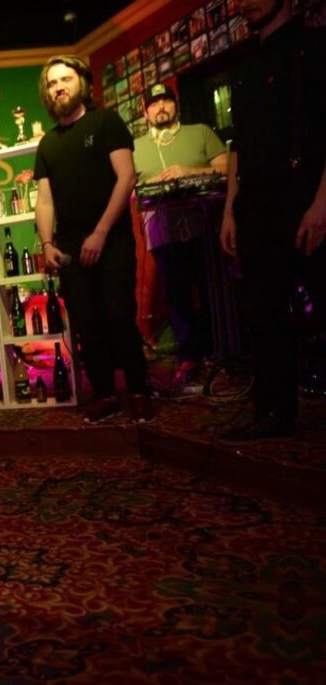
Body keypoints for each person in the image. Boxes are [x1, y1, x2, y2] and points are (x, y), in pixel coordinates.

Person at [218, 0, 326, 443]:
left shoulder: (314, 46)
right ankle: (273, 413)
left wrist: (322, 204)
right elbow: (238, 146)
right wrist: (230, 208)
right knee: (264, 315)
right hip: (255, 206)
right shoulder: (245, 66)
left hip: (306, 195)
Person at [33, 54, 154, 424]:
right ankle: (105, 394)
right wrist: (47, 244)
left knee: (119, 317)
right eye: (52, 83)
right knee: (87, 324)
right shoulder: (47, 144)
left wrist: (100, 233)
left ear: (82, 84)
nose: (59, 87)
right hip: (69, 247)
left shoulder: (106, 122)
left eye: (65, 79)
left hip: (111, 239)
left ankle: (139, 391)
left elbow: (126, 177)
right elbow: (45, 199)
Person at [132, 82, 228, 383]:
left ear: (176, 104)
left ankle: (221, 352)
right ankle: (190, 357)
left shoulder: (200, 132)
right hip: (163, 233)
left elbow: (226, 168)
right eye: (154, 103)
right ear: (145, 112)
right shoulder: (136, 147)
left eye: (166, 101)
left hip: (205, 227)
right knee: (177, 296)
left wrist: (189, 173)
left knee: (213, 290)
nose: (160, 107)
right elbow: (128, 187)